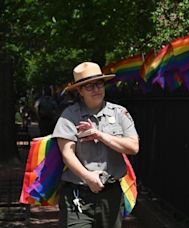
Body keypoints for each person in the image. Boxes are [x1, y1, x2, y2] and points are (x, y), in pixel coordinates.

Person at [52, 62, 139, 228]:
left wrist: (100, 135)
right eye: (89, 86)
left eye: (99, 84)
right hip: (78, 194)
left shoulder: (119, 113)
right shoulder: (69, 116)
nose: (96, 89)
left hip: (111, 194)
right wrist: (88, 177)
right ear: (80, 91)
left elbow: (133, 147)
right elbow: (67, 154)